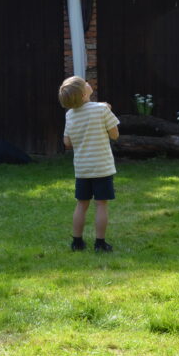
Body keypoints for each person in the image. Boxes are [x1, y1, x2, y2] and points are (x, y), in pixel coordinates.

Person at [59, 76, 120, 253]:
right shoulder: (102, 109)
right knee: (101, 204)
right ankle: (100, 243)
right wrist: (106, 110)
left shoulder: (70, 115)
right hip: (102, 168)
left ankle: (77, 242)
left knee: (81, 204)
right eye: (84, 83)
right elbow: (115, 135)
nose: (87, 83)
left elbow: (67, 142)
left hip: (82, 169)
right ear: (84, 94)